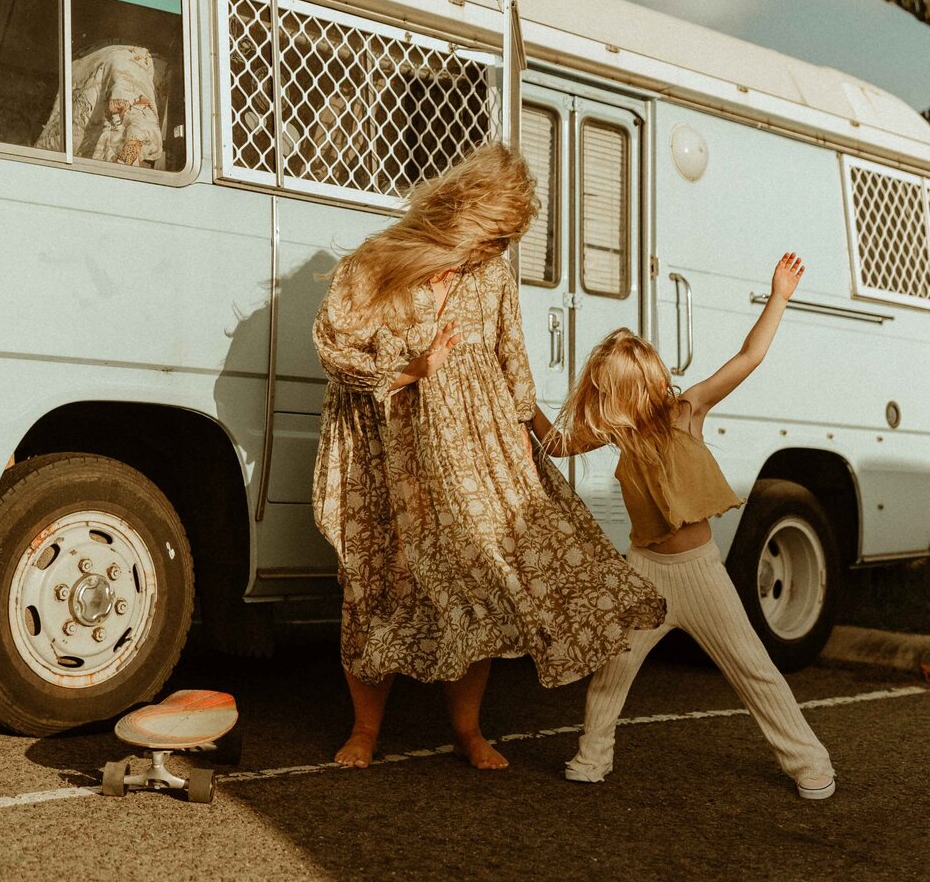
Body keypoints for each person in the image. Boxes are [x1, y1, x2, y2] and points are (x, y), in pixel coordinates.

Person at [312, 143, 666, 771]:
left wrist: (532, 449)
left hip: (476, 454)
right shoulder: (373, 264)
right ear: (464, 212)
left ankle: (468, 731)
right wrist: (412, 368)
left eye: (507, 239)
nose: (498, 249)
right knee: (376, 582)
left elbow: (513, 364)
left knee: (477, 579)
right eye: (495, 235)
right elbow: (334, 350)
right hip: (386, 455)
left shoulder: (493, 275)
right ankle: (364, 731)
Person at [542, 252, 836, 800]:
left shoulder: (688, 410)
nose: (611, 404)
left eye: (615, 392)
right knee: (614, 670)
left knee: (753, 668)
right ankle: (592, 755)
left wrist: (779, 295)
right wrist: (520, 406)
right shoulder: (619, 435)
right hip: (646, 570)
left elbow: (748, 357)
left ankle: (809, 761)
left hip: (700, 572)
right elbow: (556, 444)